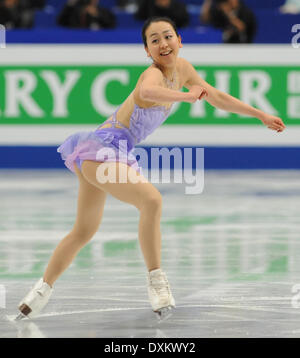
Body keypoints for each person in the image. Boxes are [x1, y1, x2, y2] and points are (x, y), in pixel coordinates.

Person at [17, 16, 285, 321]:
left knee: (84, 230)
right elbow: (147, 94)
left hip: (110, 154)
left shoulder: (183, 69)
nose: (162, 43)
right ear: (147, 50)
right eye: (154, 40)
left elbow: (218, 97)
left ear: (179, 41)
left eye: (167, 36)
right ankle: (157, 281)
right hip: (100, 150)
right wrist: (185, 96)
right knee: (152, 201)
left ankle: (39, 292)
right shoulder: (151, 75)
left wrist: (259, 114)